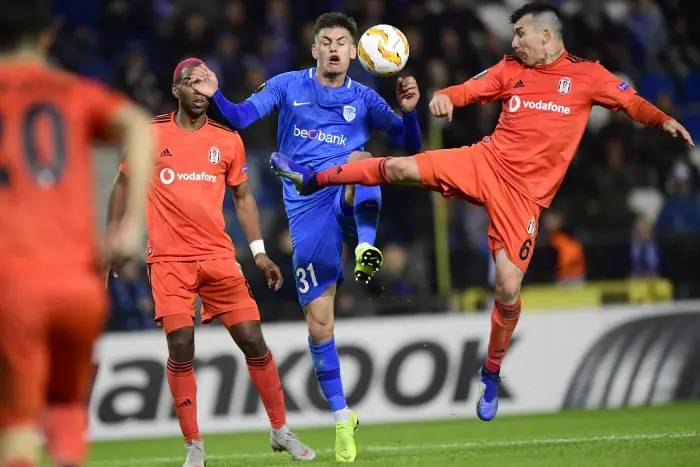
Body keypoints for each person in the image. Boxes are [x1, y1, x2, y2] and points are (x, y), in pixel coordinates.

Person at [271, 1, 694, 423]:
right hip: (485, 163)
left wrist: (664, 121)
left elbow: (631, 102)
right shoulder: (511, 69)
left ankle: (490, 373)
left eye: (521, 35)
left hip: (524, 198)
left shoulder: (588, 76)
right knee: (398, 167)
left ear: (546, 36)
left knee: (508, 288)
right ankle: (314, 179)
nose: (514, 42)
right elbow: (468, 89)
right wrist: (444, 99)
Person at [188, 12, 421, 461]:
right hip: (306, 213)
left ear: (356, 52)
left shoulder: (367, 99)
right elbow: (238, 116)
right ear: (314, 49)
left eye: (342, 42)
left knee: (363, 157)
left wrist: (409, 115)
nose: (334, 48)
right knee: (319, 324)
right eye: (326, 41)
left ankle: (366, 244)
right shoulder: (286, 85)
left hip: (342, 187)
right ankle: (342, 418)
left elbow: (410, 147)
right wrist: (215, 93)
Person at [106, 58, 314, 467]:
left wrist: (258, 252)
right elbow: (123, 185)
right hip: (168, 260)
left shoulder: (228, 140)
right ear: (176, 90)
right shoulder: (150, 135)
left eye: (206, 85)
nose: (200, 92)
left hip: (218, 256)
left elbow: (243, 197)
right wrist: (112, 240)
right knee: (181, 345)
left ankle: (279, 429)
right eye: (192, 84)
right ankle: (194, 447)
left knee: (253, 338)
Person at [0, 1, 154, 466]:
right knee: (66, 405)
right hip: (80, 283)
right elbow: (141, 126)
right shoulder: (73, 91)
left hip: (14, 284)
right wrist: (130, 229)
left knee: (18, 429)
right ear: (47, 37)